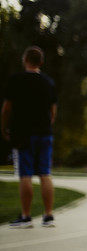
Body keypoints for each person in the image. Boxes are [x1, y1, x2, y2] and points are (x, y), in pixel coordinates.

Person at [1, 46, 58, 228]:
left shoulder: (16, 80)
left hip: (23, 133)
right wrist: (48, 125)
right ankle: (48, 215)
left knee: (25, 174)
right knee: (45, 173)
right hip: (44, 133)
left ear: (25, 60)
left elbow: (6, 108)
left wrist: (4, 128)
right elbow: (53, 110)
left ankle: (26, 216)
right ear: (41, 62)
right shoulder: (48, 82)